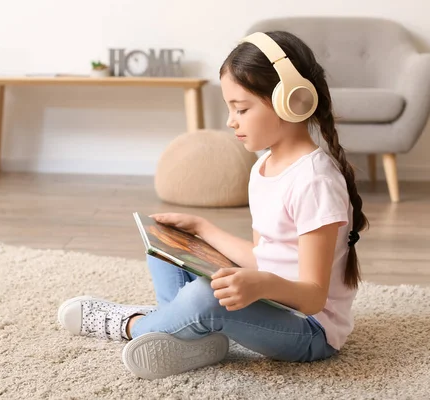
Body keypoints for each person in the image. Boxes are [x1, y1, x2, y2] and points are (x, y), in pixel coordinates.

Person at [57, 31, 369, 380]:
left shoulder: (315, 181)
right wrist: (202, 230)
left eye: (242, 108)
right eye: (230, 108)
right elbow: (264, 255)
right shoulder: (263, 166)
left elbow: (312, 298)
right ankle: (188, 332)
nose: (230, 120)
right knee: (166, 244)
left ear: (290, 103)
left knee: (206, 296)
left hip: (308, 330)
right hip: (272, 301)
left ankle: (137, 325)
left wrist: (260, 285)